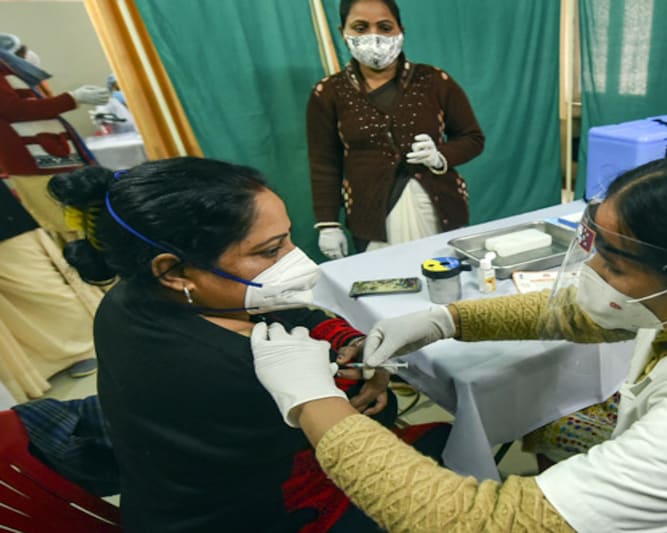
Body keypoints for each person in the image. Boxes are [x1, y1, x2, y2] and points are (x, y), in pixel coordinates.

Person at [251, 153, 667, 532]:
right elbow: (581, 315)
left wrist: (316, 403)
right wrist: (448, 321)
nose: (589, 277)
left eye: (612, 261)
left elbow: (473, 521)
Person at [47, 157, 414, 532]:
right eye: (270, 251)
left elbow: (292, 312)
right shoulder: (222, 366)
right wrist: (370, 375)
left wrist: (349, 340)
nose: (297, 260)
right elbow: (367, 421)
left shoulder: (135, 296)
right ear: (174, 271)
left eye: (288, 237)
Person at [307, 0, 485, 258]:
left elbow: (472, 138)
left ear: (400, 30)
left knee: (443, 282)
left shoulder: (434, 81)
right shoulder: (328, 93)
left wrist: (440, 157)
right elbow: (324, 164)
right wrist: (328, 224)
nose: (374, 37)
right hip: (370, 218)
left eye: (384, 27)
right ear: (342, 32)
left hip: (438, 208)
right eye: (360, 27)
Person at [0, 32, 109, 243]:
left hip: (50, 154)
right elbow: (13, 109)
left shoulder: (14, 72)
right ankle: (89, 271)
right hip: (33, 161)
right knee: (67, 224)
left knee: (81, 220)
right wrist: (72, 99)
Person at [0, 183, 100, 399]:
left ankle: (85, 346)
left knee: (40, 287)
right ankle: (37, 366)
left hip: (6, 227)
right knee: (8, 312)